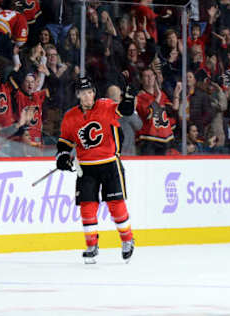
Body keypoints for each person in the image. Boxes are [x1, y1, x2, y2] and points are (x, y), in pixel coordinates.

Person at [55, 77, 135, 263]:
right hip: (86, 168)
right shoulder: (70, 117)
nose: (88, 96)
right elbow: (64, 142)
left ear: (94, 93)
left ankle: (127, 240)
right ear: (78, 95)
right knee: (87, 206)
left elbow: (125, 110)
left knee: (116, 205)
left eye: (90, 92)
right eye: (83, 93)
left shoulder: (105, 106)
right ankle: (91, 245)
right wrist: (63, 157)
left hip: (109, 164)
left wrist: (129, 99)